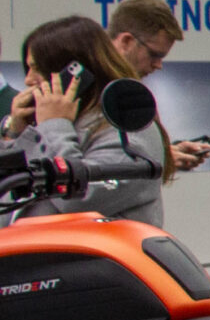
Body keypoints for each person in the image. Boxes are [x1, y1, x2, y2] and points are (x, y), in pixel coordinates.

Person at [5, 17, 168, 226]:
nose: (28, 80)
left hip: (90, 248)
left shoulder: (126, 128)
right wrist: (16, 132)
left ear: (74, 72)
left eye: (36, 68)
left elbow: (79, 200)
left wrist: (54, 124)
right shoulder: (58, 124)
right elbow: (9, 196)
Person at [107, 0, 210, 171]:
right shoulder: (90, 92)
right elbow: (97, 168)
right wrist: (160, 160)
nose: (158, 65)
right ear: (126, 42)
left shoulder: (130, 93)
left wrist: (167, 154)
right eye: (154, 55)